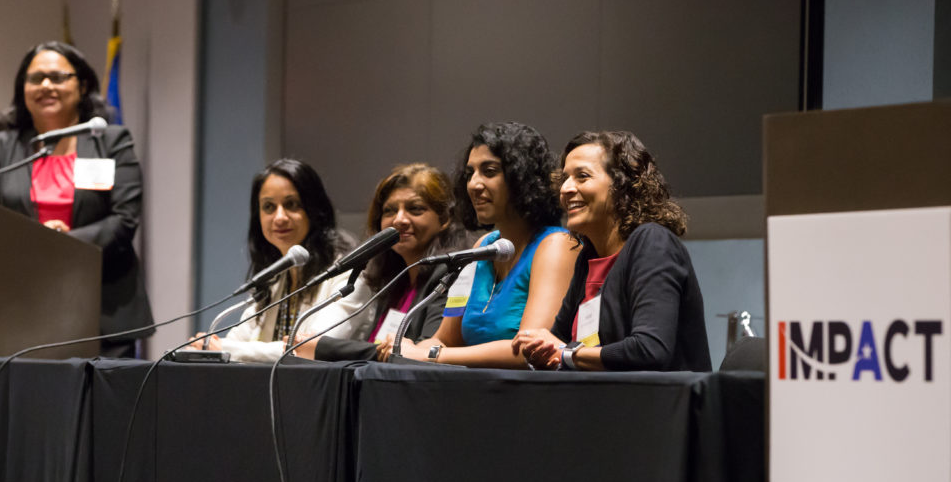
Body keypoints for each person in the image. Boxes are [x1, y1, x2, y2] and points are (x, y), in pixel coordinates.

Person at [0, 41, 152, 357]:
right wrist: (41, 241)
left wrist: (65, 242)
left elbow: (124, 219)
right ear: (23, 88)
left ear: (82, 85)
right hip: (20, 303)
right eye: (36, 78)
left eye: (58, 77)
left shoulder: (111, 141)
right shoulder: (2, 147)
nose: (46, 85)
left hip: (103, 306)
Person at [512, 131, 711, 371]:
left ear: (621, 185)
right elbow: (559, 343)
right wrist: (542, 351)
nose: (565, 189)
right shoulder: (588, 257)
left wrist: (565, 353)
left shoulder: (653, 243)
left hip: (661, 404)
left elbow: (650, 349)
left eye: (582, 177)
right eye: (564, 178)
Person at [395, 122, 577, 368]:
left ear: (521, 178)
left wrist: (431, 355)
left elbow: (530, 351)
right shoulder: (485, 245)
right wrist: (405, 348)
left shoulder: (556, 245)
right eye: (470, 174)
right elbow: (445, 339)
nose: (474, 185)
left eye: (489, 172)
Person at [192, 158, 372, 363]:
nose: (279, 217)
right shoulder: (276, 277)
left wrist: (225, 349)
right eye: (269, 207)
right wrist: (206, 347)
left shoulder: (349, 272)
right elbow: (237, 338)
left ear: (315, 209)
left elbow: (311, 348)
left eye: (291, 205)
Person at [297, 163, 469, 362]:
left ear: (444, 218)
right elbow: (381, 348)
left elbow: (422, 352)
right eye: (389, 211)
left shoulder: (452, 275)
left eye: (415, 209)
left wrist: (324, 348)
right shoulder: (393, 281)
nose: (399, 219)